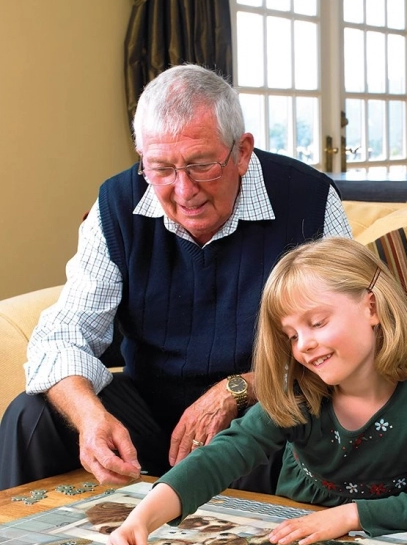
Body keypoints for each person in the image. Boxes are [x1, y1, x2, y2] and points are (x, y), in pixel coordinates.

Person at [0, 64, 352, 491]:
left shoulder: (308, 199)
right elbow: (63, 334)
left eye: (202, 165)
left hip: (261, 407)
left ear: (241, 152)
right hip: (151, 415)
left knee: (282, 426)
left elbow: (346, 341)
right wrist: (90, 417)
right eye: (161, 169)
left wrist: (239, 389)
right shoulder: (116, 203)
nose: (183, 191)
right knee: (31, 415)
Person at [105, 237, 407, 545]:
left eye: (317, 322)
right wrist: (141, 518)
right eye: (292, 335)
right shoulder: (300, 391)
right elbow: (222, 456)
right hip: (294, 532)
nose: (304, 345)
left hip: (388, 540)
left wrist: (346, 517)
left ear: (371, 308)